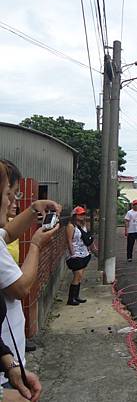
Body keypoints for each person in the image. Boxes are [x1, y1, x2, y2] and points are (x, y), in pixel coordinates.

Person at [0, 161, 45, 401]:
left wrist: (10, 364)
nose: (12, 202)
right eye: (8, 193)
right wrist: (36, 245)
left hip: (8, 359)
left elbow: (7, 233)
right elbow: (21, 288)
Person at [65, 207, 92, 306]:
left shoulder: (83, 225)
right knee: (78, 275)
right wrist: (73, 254)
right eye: (80, 214)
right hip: (76, 253)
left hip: (84, 252)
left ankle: (76, 296)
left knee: (80, 276)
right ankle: (71, 298)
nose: (82, 216)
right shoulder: (70, 226)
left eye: (83, 214)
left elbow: (86, 237)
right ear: (75, 215)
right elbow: (69, 240)